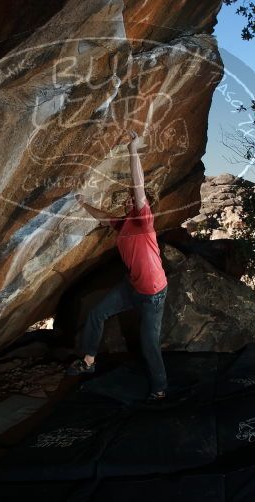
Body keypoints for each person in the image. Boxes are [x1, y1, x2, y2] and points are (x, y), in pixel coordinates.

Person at [67, 129, 169, 402]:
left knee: (149, 345)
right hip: (132, 287)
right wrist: (84, 203)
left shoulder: (144, 221)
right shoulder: (123, 224)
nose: (128, 200)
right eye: (126, 200)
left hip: (153, 295)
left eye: (132, 200)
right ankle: (89, 361)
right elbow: (103, 217)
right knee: (97, 313)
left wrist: (132, 150)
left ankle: (159, 389)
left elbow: (138, 188)